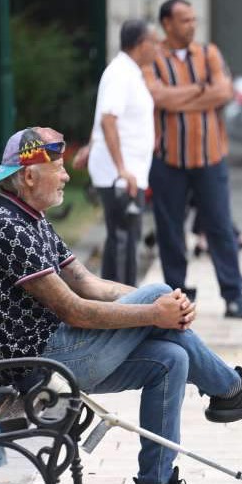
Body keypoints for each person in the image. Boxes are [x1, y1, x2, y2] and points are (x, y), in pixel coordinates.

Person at [0, 127, 242, 484]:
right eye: (59, 168)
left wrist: (165, 306)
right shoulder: (6, 229)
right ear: (30, 176)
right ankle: (231, 391)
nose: (67, 176)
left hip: (59, 354)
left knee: (171, 359)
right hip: (40, 369)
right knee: (157, 294)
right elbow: (75, 310)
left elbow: (87, 283)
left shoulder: (29, 220)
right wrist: (153, 309)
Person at [144, 0, 242, 319]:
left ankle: (235, 296)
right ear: (167, 23)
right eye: (184, 20)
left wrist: (179, 98)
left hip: (210, 158)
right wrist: (200, 92)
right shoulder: (154, 57)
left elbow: (224, 92)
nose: (191, 25)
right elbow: (157, 97)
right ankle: (175, 297)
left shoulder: (209, 53)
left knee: (220, 227)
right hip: (168, 159)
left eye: (193, 19)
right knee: (170, 230)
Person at [74, 20, 158, 286]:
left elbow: (104, 116)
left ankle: (119, 304)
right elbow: (108, 119)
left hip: (126, 170)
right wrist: (122, 168)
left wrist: (90, 145)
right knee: (124, 237)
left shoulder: (129, 72)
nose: (158, 48)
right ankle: (123, 304)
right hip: (120, 174)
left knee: (124, 237)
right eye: (155, 43)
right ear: (142, 44)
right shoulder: (121, 73)